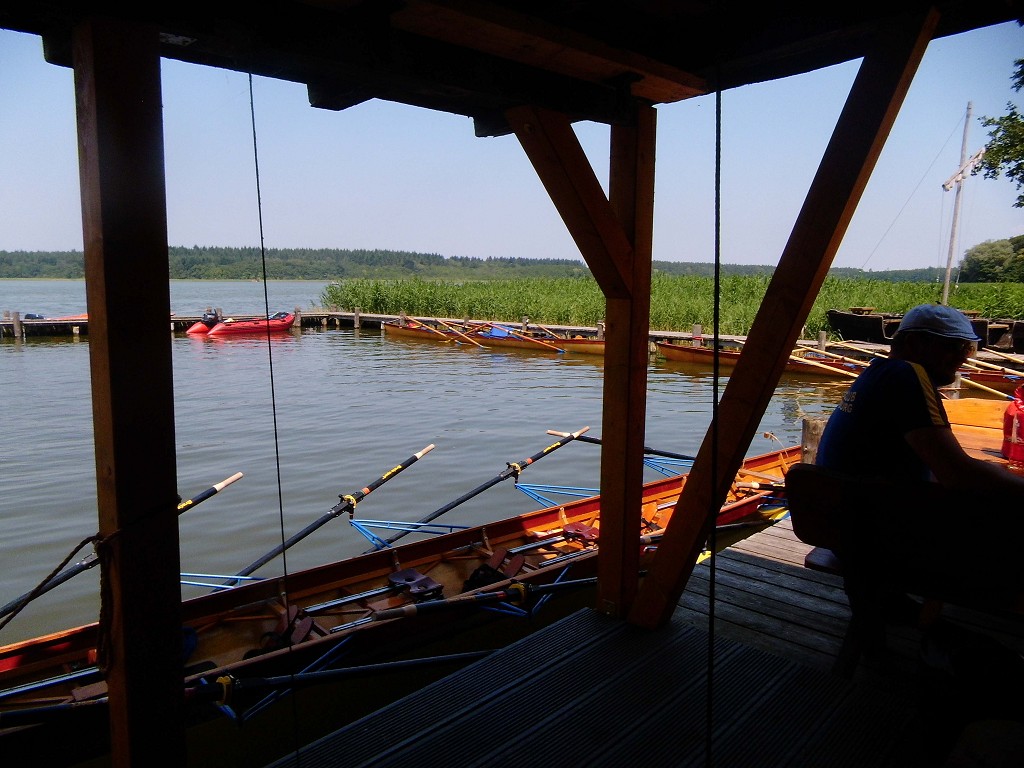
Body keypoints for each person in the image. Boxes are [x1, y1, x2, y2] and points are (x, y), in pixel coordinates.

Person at [815, 303, 1024, 618]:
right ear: (914, 344)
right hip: (878, 538)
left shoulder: (876, 372)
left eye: (967, 348)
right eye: (954, 347)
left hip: (846, 529)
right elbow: (958, 474)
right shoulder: (908, 375)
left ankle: (893, 608)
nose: (964, 357)